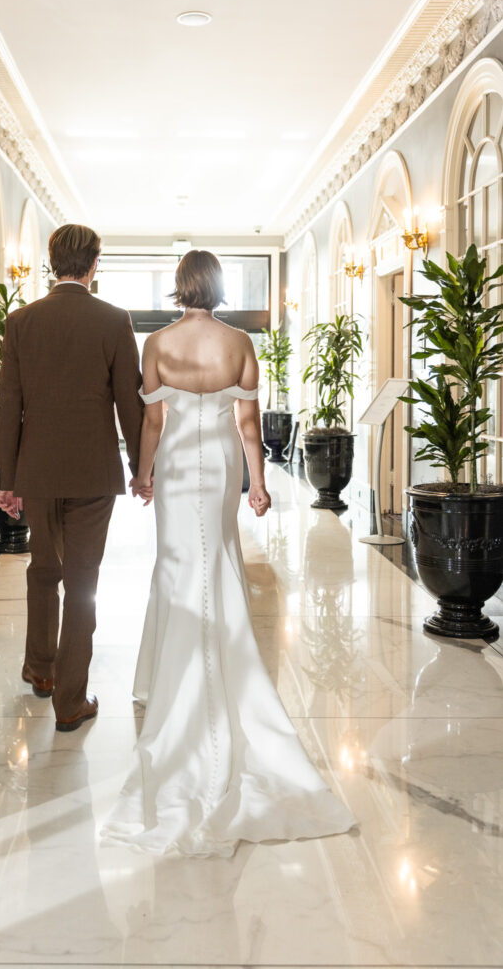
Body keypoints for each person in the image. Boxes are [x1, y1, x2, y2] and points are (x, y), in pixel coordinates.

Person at [101, 249, 356, 856]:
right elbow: (248, 424)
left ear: (180, 288)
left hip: (177, 466)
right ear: (216, 287)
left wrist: (143, 474)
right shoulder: (241, 343)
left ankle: (170, 672)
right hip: (217, 467)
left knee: (175, 565)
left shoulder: (157, 343)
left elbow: (154, 423)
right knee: (216, 559)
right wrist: (258, 483)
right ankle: (206, 661)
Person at [0, 223, 143, 732]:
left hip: (35, 470)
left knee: (42, 569)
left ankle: (40, 670)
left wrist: (7, 479)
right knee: (82, 583)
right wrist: (140, 468)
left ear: (51, 261)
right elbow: (129, 403)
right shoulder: (114, 320)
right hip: (92, 474)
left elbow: (9, 405)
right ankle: (71, 702)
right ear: (95, 263)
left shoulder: (21, 321)